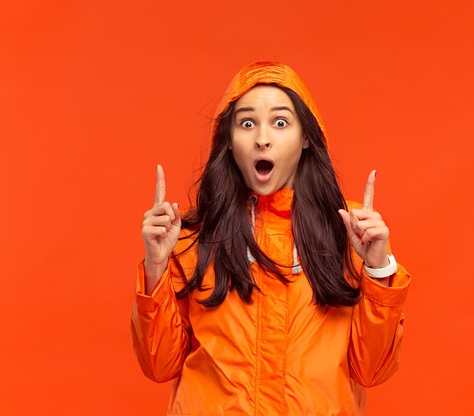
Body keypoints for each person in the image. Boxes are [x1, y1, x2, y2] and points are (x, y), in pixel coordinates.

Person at [131, 61, 412, 416]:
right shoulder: (193, 236)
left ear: (306, 137)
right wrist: (156, 267)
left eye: (281, 123)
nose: (262, 137)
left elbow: (372, 370)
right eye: (247, 123)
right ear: (229, 142)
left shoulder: (352, 231)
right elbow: (160, 366)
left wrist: (376, 270)